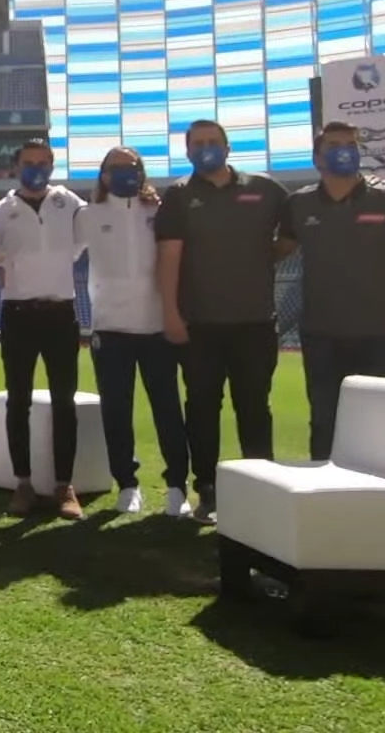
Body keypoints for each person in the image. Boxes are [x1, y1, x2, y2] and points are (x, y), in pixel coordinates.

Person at [153, 119, 294, 522]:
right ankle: (208, 490)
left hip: (255, 322)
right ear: (187, 152)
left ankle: (260, 487)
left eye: (213, 141)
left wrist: (262, 256)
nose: (206, 148)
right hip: (200, 324)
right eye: (197, 143)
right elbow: (169, 257)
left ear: (228, 148)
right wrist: (171, 313)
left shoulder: (266, 189)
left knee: (254, 407)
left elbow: (291, 235)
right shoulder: (179, 195)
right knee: (201, 410)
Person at [280, 122, 385, 461]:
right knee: (325, 423)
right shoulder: (298, 204)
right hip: (322, 336)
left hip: (383, 336)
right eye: (334, 146)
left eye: (350, 145)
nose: (344, 151)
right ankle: (326, 489)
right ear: (317, 158)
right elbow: (277, 251)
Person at [76, 146, 194, 517]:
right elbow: (59, 255)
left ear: (142, 173)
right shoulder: (88, 215)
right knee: (116, 412)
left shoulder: (159, 212)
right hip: (110, 329)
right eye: (117, 167)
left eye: (132, 166)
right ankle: (127, 484)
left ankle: (177, 487)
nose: (126, 172)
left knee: (168, 410)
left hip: (157, 327)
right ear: (104, 175)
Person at [0, 138, 87, 518]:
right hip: (18, 314)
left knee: (64, 402)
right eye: (29, 162)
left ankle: (64, 486)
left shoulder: (69, 203)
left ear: (52, 166)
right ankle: (22, 484)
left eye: (43, 162)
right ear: (16, 166)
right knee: (18, 401)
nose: (36, 169)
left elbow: (87, 238)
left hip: (61, 314)